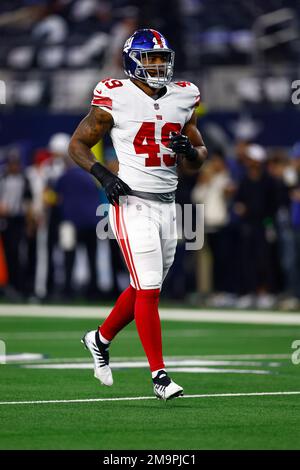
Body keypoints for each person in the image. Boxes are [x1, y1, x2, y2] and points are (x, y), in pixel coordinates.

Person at [69, 29, 207, 400]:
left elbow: (198, 155)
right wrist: (103, 175)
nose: (158, 65)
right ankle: (160, 376)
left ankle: (98, 338)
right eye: (150, 59)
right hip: (131, 203)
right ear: (132, 62)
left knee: (147, 287)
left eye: (162, 58)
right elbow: (78, 144)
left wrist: (190, 153)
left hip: (168, 203)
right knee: (148, 286)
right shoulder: (115, 94)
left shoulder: (184, 96)